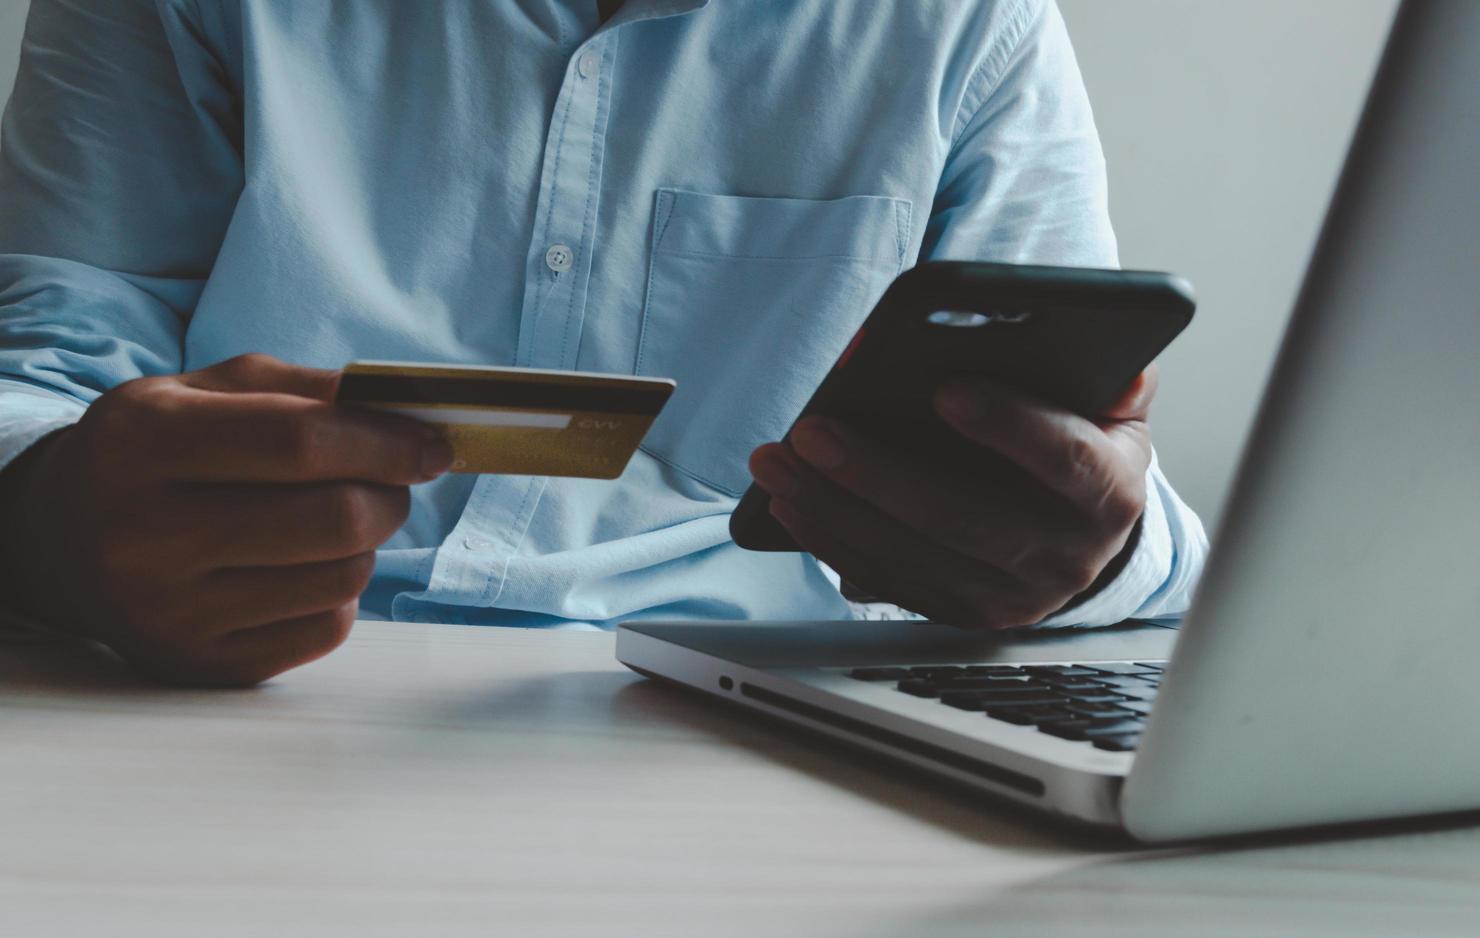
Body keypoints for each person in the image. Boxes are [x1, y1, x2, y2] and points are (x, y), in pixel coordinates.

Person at [0, 0, 1207, 686]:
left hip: (757, 717)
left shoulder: (967, 26)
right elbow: (42, 378)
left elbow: (1083, 475)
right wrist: (41, 514)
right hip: (242, 695)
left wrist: (1096, 559)